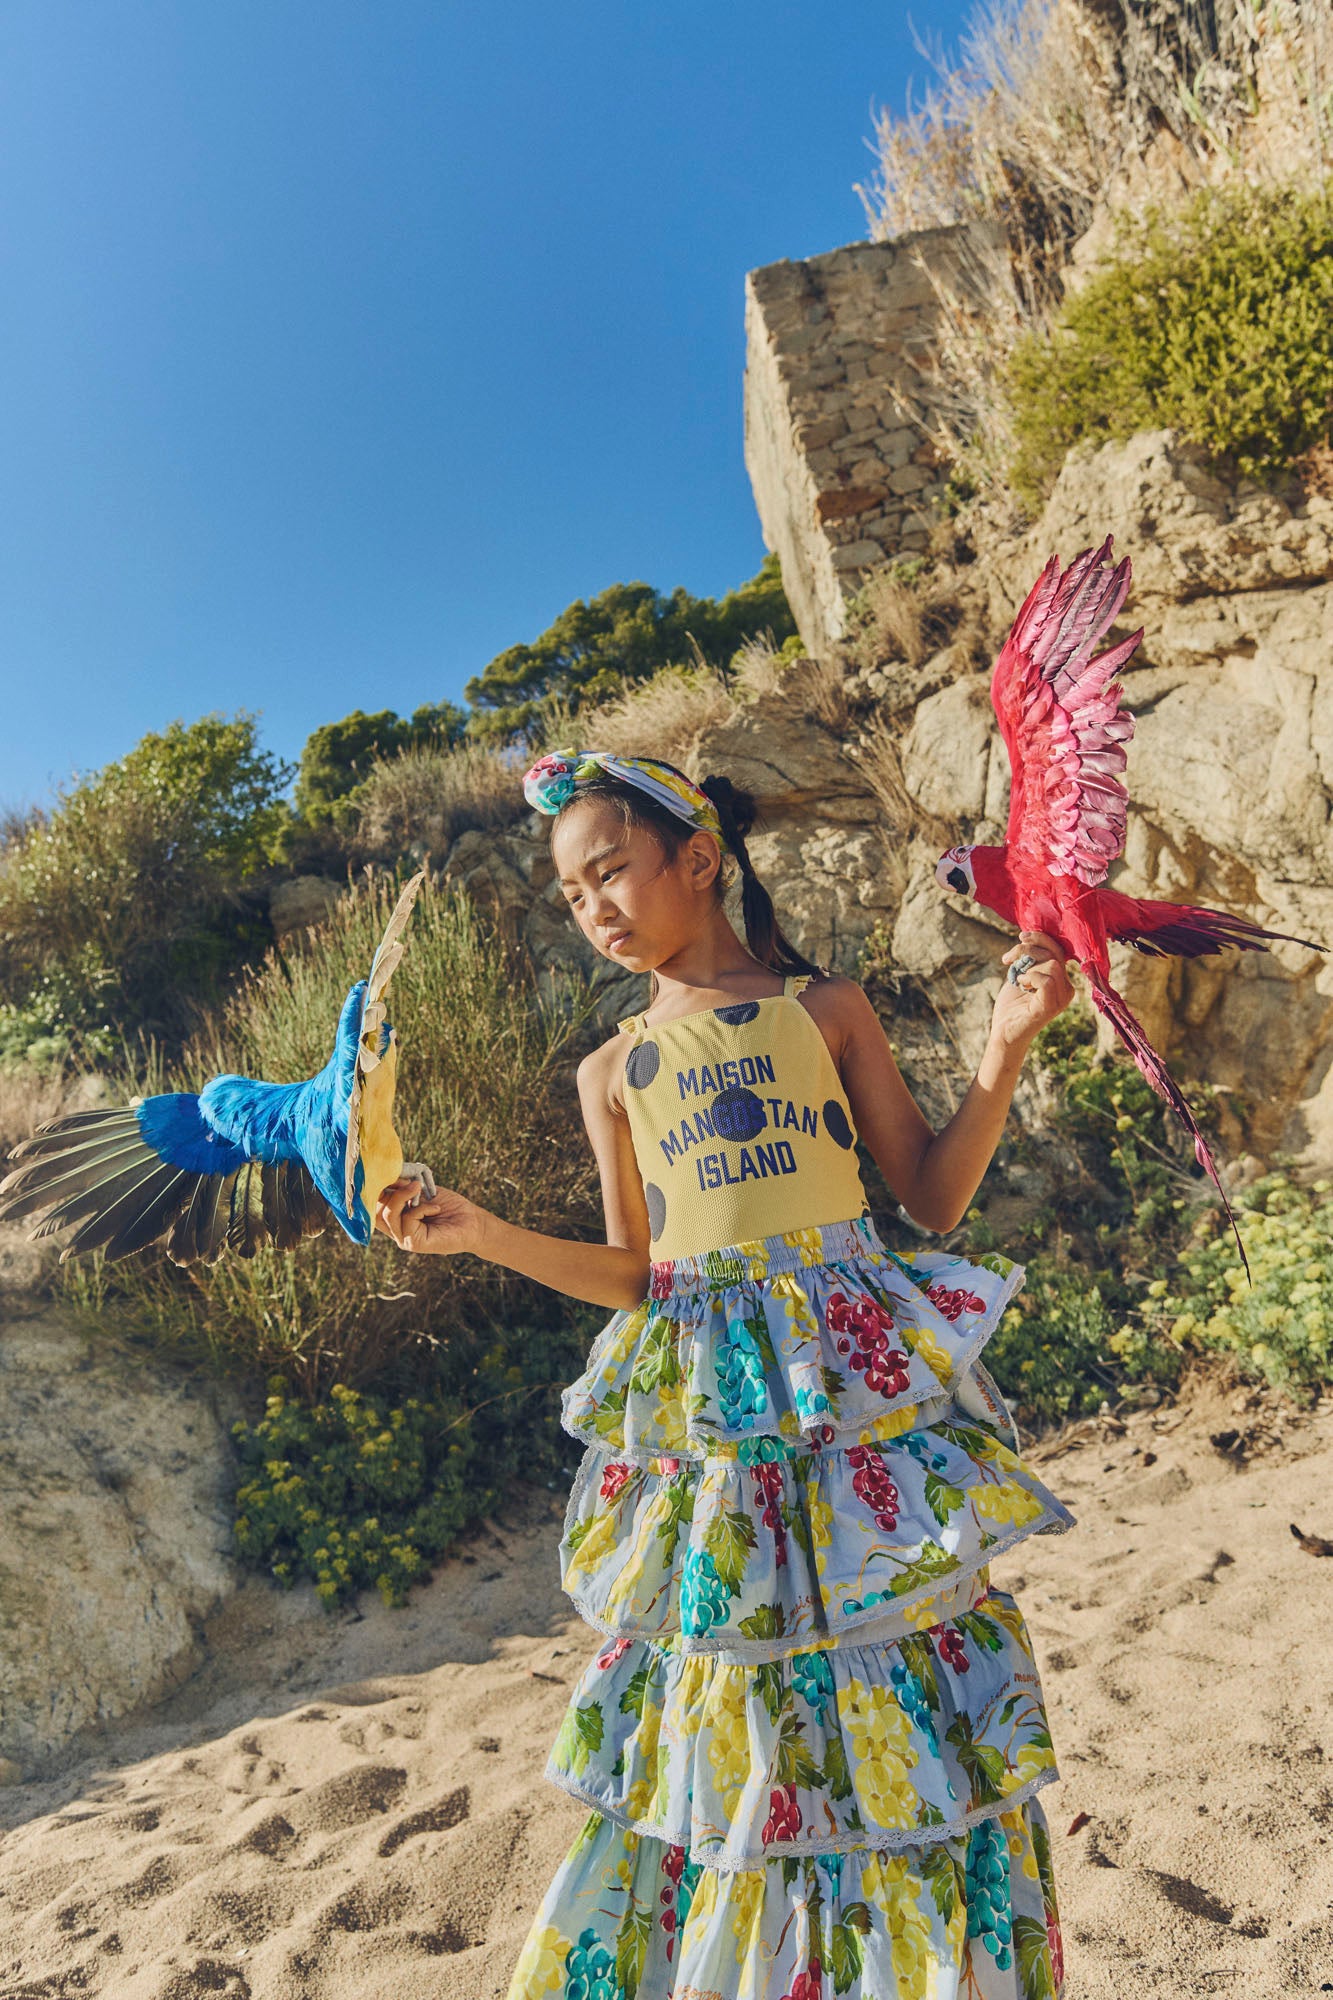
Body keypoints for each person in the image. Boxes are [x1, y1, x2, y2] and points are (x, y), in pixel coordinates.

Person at [376, 749, 1075, 2000]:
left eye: (611, 871)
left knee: (893, 1651)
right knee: (737, 1680)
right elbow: (639, 1271)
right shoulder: (611, 1071)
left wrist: (1004, 1048)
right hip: (716, 1407)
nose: (593, 906)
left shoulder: (826, 1009)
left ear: (696, 860)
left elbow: (929, 1194)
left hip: (851, 1381)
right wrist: (481, 1231)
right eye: (572, 891)